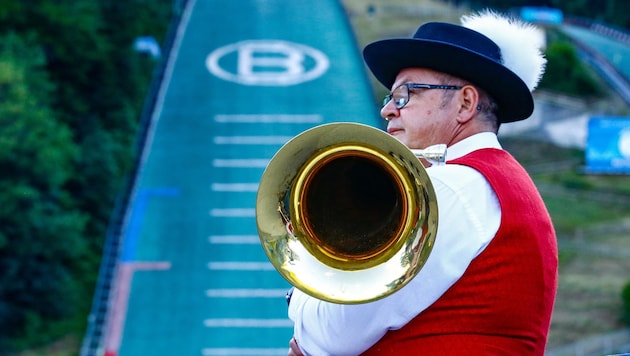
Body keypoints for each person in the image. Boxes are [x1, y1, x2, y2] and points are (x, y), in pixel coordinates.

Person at [286, 10, 558, 356]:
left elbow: (331, 337)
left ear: (465, 103)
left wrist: (301, 288)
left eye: (407, 95)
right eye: (390, 98)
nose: (388, 110)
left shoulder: (450, 188)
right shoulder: (489, 181)